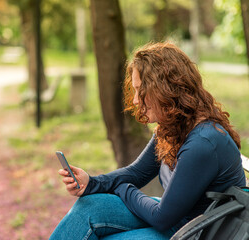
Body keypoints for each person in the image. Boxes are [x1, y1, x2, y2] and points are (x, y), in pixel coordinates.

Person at [49, 42, 246, 240]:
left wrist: (122, 188)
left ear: (165, 89)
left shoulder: (203, 142)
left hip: (196, 232)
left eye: (140, 90)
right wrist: (91, 183)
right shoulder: (174, 126)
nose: (135, 100)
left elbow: (161, 218)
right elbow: (137, 172)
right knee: (89, 207)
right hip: (177, 219)